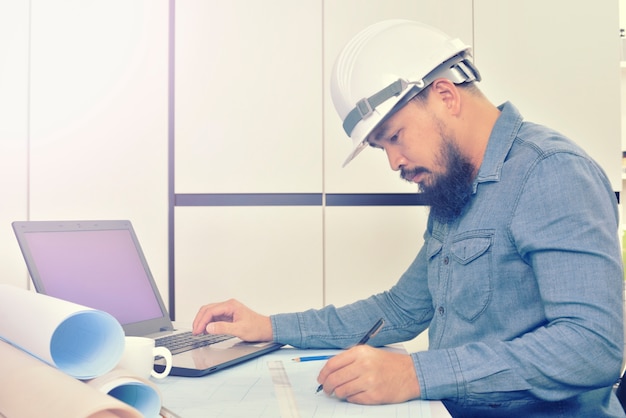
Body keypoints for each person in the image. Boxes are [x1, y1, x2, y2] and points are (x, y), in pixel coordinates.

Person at [192, 20, 625, 416]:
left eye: (395, 137)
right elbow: (400, 309)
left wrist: (416, 374)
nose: (394, 162)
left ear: (445, 96)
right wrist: (270, 326)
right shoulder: (456, 186)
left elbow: (594, 347)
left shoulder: (552, 172)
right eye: (382, 147)